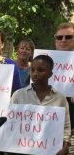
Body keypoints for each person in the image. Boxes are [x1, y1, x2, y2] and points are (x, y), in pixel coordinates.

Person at [0, 55, 71, 155]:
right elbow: (10, 123)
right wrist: (0, 143)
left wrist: (65, 147)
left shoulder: (60, 98)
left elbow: (65, 127)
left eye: (41, 70)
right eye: (32, 70)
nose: (35, 74)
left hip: (49, 151)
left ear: (50, 73)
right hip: (21, 151)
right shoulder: (18, 95)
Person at [54, 22, 74, 154]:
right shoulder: (44, 61)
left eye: (68, 37)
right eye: (59, 37)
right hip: (46, 127)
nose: (63, 40)